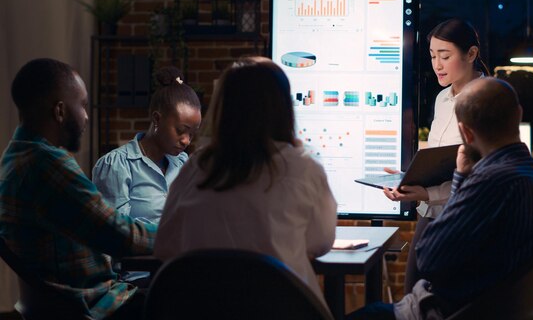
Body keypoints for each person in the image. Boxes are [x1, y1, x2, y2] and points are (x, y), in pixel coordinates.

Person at [349, 77, 533, 320]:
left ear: (465, 132)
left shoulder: (489, 183)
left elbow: (428, 259)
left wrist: (461, 183)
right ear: (518, 114)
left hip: (449, 312)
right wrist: (464, 178)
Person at [154, 56, 337, 305]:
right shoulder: (304, 168)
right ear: (283, 108)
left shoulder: (195, 167)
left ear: (224, 108)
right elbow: (321, 242)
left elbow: (165, 245)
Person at [0, 58, 157, 319]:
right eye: (82, 105)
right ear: (60, 111)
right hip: (93, 306)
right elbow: (121, 236)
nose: (86, 116)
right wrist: (180, 232)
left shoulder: (16, 155)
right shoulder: (47, 165)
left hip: (60, 301)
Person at [383, 18, 490, 293]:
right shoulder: (443, 99)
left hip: (462, 218)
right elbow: (440, 160)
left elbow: (478, 178)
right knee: (412, 291)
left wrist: (425, 193)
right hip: (430, 213)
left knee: (447, 301)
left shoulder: (487, 98)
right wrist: (411, 176)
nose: (437, 65)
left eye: (445, 56)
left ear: (471, 54)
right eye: (432, 56)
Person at [92, 66, 202, 224]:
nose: (186, 140)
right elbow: (115, 233)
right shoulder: (118, 165)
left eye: (192, 134)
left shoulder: (183, 164)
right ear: (157, 119)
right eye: (180, 130)